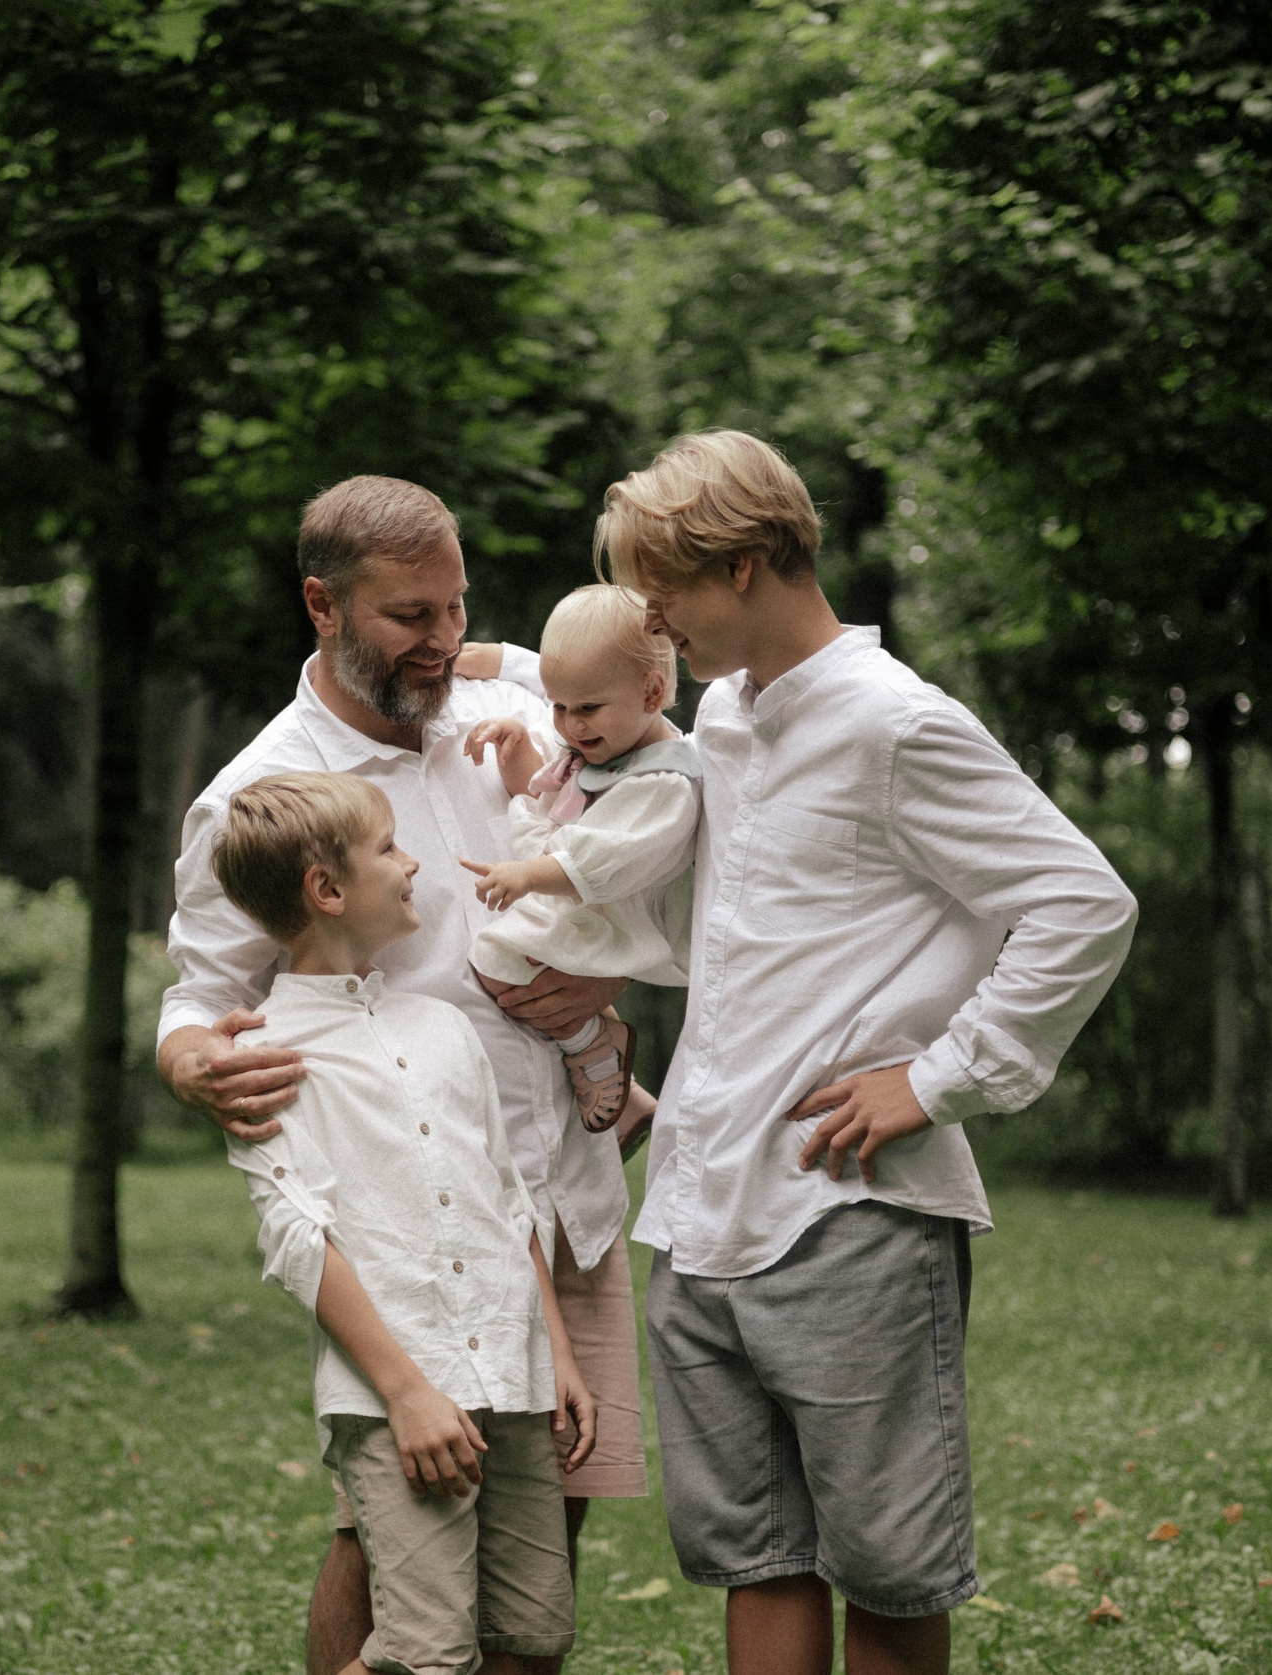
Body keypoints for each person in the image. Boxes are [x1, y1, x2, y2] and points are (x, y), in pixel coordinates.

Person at [598, 431, 1138, 1675]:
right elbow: (731, 929)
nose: (651, 618)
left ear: (739, 567)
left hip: (847, 1217)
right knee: (756, 1559)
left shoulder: (895, 725)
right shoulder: (727, 717)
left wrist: (939, 1079)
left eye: (662, 589)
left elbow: (1080, 903)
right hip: (698, 1210)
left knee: (888, 1571)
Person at [156, 476, 651, 1675]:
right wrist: (190, 1067)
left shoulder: (513, 692)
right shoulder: (263, 798)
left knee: (543, 1535)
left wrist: (604, 991)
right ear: (320, 605)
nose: (440, 644)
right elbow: (196, 997)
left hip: (558, 1193)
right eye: (408, 619)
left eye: (454, 610)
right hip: (403, 1233)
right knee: (388, 1537)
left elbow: (612, 688)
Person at [212, 769, 597, 1675]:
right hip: (398, 1398)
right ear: (328, 889)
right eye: (389, 847)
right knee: (424, 1653)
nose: (413, 860)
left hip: (514, 1371)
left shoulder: (443, 1027)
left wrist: (559, 1353)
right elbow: (299, 1240)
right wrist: (410, 1392)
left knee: (533, 1635)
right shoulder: (262, 1055)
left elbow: (509, 1199)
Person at [456, 584, 700, 1132]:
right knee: (507, 955)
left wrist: (524, 874)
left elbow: (587, 865)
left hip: (621, 914)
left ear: (653, 691)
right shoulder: (596, 740)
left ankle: (590, 1045)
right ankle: (598, 1040)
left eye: (585, 708)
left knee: (496, 955)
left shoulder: (664, 785)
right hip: (583, 899)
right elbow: (542, 793)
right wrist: (518, 745)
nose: (568, 724)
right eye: (558, 706)